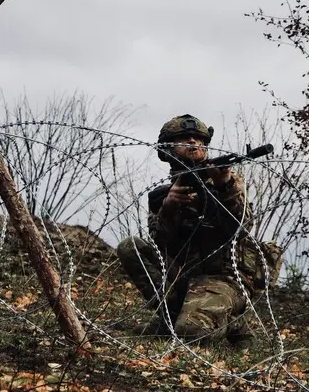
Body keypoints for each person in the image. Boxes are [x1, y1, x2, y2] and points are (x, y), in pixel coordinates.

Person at [117, 114, 280, 346]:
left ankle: (233, 321)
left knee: (191, 334)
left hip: (224, 277)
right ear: (167, 150)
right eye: (185, 138)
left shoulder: (228, 182)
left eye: (199, 139)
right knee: (130, 247)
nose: (193, 142)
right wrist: (169, 207)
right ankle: (172, 317)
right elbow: (161, 242)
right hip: (185, 273)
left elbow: (242, 228)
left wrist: (224, 186)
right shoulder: (167, 193)